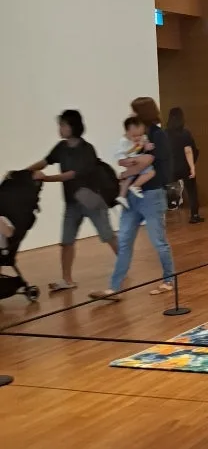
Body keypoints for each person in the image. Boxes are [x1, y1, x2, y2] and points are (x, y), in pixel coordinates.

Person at [90, 98, 176, 301]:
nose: (132, 115)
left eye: (135, 111)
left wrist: (127, 170)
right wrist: (129, 166)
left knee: (158, 241)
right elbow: (129, 158)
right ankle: (114, 287)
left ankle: (169, 280)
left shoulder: (157, 134)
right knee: (125, 240)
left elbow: (146, 160)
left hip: (152, 194)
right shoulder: (137, 135)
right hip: (133, 195)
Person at [27, 110, 117, 293]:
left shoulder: (87, 149)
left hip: (91, 200)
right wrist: (23, 172)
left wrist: (46, 179)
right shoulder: (61, 147)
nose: (60, 128)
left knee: (107, 235)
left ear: (73, 126)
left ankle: (123, 264)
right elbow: (45, 162)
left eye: (63, 125)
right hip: (72, 202)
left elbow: (71, 175)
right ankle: (67, 280)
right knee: (66, 241)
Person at [166, 107, 203, 224]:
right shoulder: (185, 133)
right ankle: (194, 215)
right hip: (184, 167)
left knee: (164, 189)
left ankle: (162, 217)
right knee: (192, 190)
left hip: (170, 167)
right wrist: (192, 167)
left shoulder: (164, 134)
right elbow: (188, 151)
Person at [113, 116, 156, 209]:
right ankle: (135, 186)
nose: (138, 138)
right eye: (134, 136)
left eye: (140, 135)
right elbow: (119, 156)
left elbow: (144, 145)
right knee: (150, 172)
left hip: (137, 160)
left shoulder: (142, 138)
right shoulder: (123, 142)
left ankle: (122, 196)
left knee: (130, 177)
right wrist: (125, 160)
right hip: (132, 161)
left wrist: (147, 146)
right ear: (127, 132)